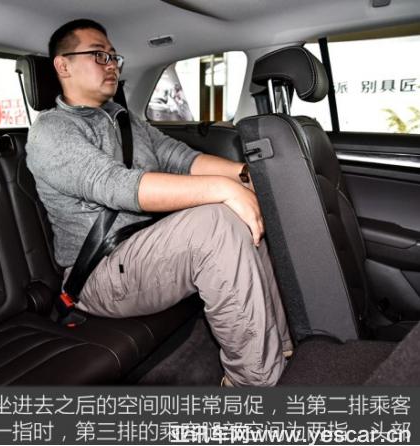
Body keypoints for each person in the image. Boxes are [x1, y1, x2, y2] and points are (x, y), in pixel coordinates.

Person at [26, 18, 292, 386]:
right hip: (99, 272)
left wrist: (246, 175)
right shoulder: (51, 131)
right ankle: (253, 384)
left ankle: (279, 349)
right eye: (99, 55)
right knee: (216, 223)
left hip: (146, 251)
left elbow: (182, 158)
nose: (111, 64)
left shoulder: (127, 121)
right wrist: (224, 190)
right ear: (63, 65)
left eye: (113, 56)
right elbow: (116, 185)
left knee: (243, 215)